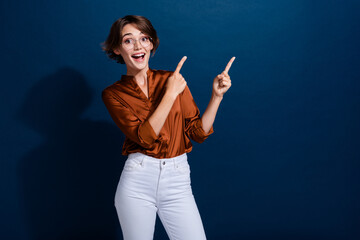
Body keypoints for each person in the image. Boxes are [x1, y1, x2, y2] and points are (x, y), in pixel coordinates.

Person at [101, 15, 234, 240]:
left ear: (151, 44)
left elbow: (198, 133)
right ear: (116, 48)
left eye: (144, 39)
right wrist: (170, 94)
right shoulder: (113, 94)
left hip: (178, 178)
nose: (138, 46)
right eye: (128, 40)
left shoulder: (172, 80)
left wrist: (216, 97)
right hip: (138, 181)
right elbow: (144, 138)